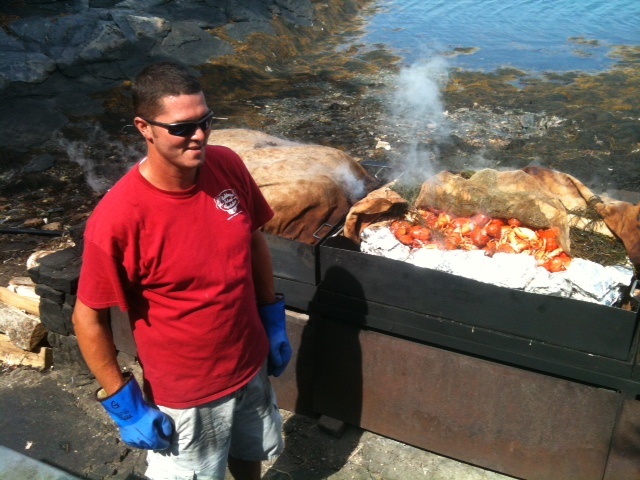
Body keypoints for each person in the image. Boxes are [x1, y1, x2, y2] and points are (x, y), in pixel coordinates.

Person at [72, 61, 292, 480]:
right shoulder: (118, 219)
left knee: (251, 455)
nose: (199, 136)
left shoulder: (226, 165)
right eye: (182, 128)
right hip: (188, 394)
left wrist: (272, 317)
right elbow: (87, 317)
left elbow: (253, 241)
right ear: (144, 127)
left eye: (206, 121)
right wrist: (123, 401)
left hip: (249, 361)